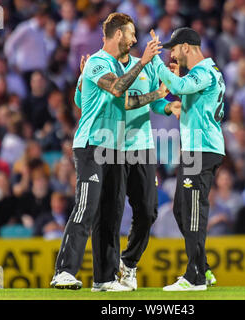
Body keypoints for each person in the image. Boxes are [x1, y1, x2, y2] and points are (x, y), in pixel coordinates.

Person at [50, 13, 162, 292]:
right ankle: (63, 271)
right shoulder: (98, 62)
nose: (135, 40)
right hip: (91, 145)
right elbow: (116, 89)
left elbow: (92, 99)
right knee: (86, 206)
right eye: (131, 34)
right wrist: (145, 63)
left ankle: (104, 278)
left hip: (116, 147)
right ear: (118, 35)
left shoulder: (111, 65)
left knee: (111, 214)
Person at [74, 42, 181, 291]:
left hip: (142, 146)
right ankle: (104, 276)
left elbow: (155, 102)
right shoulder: (103, 68)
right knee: (111, 211)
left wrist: (169, 105)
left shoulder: (145, 67)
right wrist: (81, 81)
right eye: (130, 36)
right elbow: (82, 102)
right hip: (114, 145)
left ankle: (128, 263)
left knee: (148, 209)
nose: (132, 41)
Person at [148, 27, 225, 291]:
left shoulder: (204, 71)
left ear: (187, 47)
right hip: (196, 148)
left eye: (174, 48)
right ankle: (202, 267)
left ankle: (195, 278)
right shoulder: (204, 73)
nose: (172, 53)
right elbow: (183, 93)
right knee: (182, 208)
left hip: (202, 149)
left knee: (193, 210)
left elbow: (180, 87)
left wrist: (155, 63)